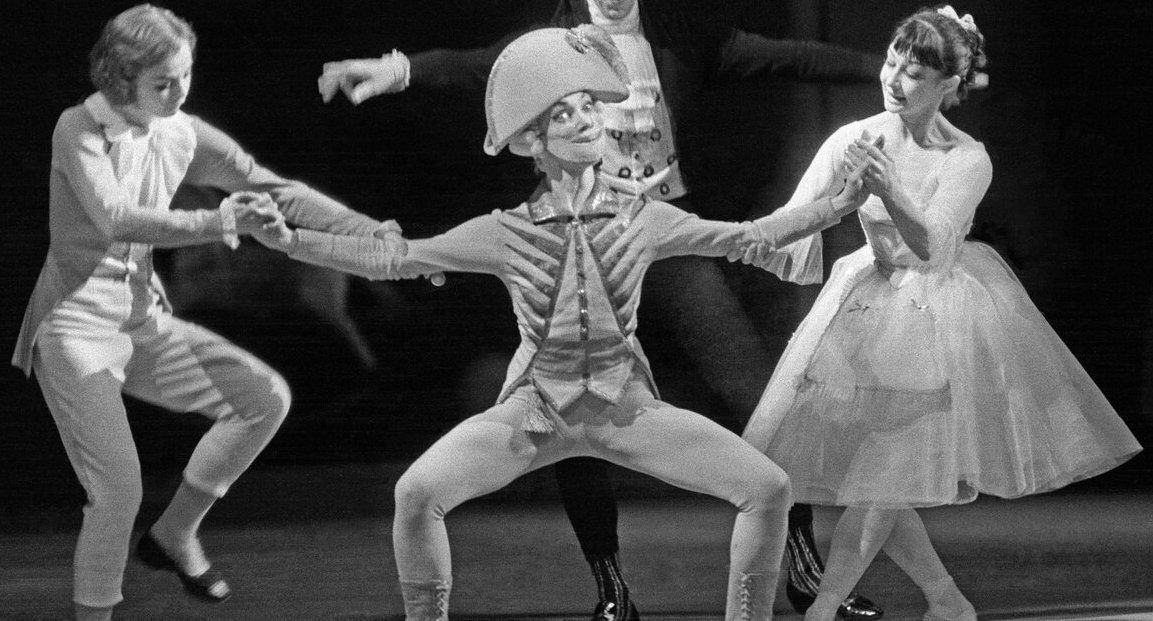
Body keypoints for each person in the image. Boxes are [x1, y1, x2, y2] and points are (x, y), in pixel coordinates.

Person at [258, 25, 870, 620]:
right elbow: (397, 259)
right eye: (563, 114)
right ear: (532, 141)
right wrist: (289, 241)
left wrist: (836, 205)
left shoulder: (645, 218)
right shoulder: (503, 231)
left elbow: (749, 238)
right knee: (416, 494)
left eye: (589, 108)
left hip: (624, 409)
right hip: (536, 414)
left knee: (767, 488)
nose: (585, 121)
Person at [740, 6, 1142, 620]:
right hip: (866, 307)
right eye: (891, 63)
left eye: (915, 73)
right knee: (884, 477)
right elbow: (790, 220)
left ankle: (826, 608)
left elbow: (934, 247)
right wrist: (708, 234)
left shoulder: (967, 158)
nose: (895, 80)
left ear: (949, 84)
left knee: (885, 475)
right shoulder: (854, 137)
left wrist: (889, 187)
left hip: (937, 313)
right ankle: (947, 601)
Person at [12, 5, 403, 620]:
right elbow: (114, 217)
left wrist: (369, 230)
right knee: (118, 490)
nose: (178, 93)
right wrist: (220, 221)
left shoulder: (181, 132)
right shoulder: (78, 127)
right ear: (121, 79)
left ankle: (175, 533)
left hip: (141, 320)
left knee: (264, 399)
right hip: (73, 326)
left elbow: (273, 189)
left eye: (186, 76)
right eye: (162, 82)